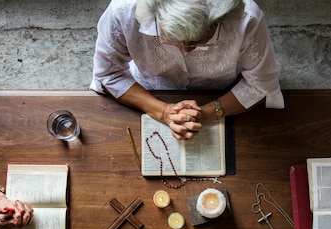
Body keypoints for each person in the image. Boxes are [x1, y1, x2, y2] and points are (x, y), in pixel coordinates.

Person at [90, 0, 284, 140]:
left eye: (200, 40)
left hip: (221, 91)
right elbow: (108, 73)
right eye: (173, 39)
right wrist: (164, 111)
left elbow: (261, 82)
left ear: (219, 21)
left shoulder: (247, 18)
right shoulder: (122, 10)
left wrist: (207, 113)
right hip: (147, 89)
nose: (186, 49)